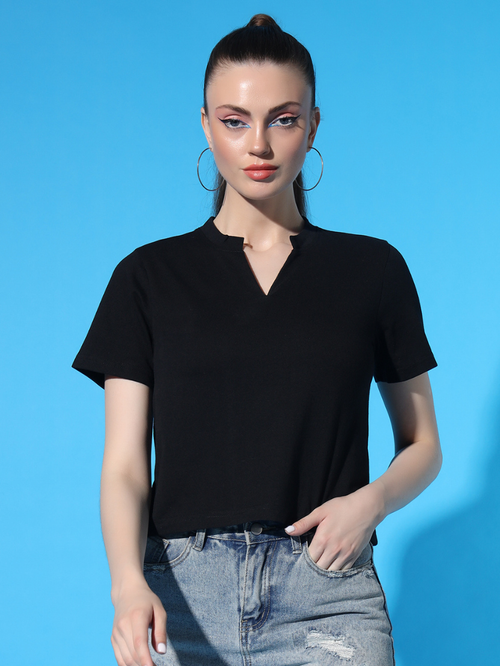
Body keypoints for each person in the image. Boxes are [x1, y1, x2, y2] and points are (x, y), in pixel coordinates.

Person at [73, 14, 441, 666]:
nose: (260, 145)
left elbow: (424, 445)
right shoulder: (147, 277)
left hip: (329, 591)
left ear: (314, 126)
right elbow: (126, 465)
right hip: (181, 594)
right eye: (235, 120)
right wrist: (127, 585)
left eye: (284, 119)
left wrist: (370, 504)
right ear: (206, 126)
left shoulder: (373, 270)